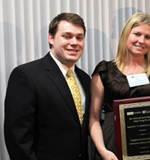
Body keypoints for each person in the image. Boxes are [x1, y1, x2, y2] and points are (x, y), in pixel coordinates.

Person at [4, 13, 91, 160]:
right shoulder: (26, 75)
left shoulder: (85, 79)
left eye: (79, 37)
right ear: (51, 38)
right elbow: (18, 138)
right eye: (67, 36)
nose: (74, 42)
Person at [89, 12, 150, 160]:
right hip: (111, 148)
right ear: (126, 35)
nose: (141, 41)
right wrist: (103, 151)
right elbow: (94, 118)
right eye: (137, 34)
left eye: (148, 37)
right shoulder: (105, 71)